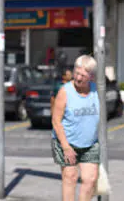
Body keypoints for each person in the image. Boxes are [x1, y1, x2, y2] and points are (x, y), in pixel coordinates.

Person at [51, 55, 100, 201]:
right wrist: (66, 147)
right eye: (76, 73)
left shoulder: (96, 90)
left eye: (83, 75)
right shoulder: (65, 92)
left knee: (90, 180)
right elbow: (56, 120)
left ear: (91, 76)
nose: (78, 78)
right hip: (67, 142)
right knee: (70, 177)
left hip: (90, 143)